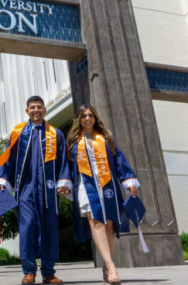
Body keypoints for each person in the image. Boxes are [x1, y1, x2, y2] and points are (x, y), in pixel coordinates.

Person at [0, 96, 72, 285]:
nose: (36, 110)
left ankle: (48, 272)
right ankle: (28, 271)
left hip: (49, 189)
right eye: (32, 107)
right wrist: (3, 180)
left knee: (49, 230)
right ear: (27, 111)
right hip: (25, 189)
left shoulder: (55, 134)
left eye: (39, 107)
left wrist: (63, 181)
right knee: (27, 228)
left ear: (44, 110)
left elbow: (62, 160)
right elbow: (9, 159)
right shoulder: (18, 133)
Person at [66, 104, 140, 284]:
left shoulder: (105, 139)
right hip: (86, 184)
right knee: (96, 221)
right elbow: (67, 166)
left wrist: (128, 180)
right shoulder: (74, 142)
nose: (87, 119)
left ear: (95, 118)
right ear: (79, 120)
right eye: (84, 116)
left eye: (90, 115)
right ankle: (111, 265)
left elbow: (119, 160)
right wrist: (65, 184)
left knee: (109, 225)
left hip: (107, 182)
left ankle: (106, 266)